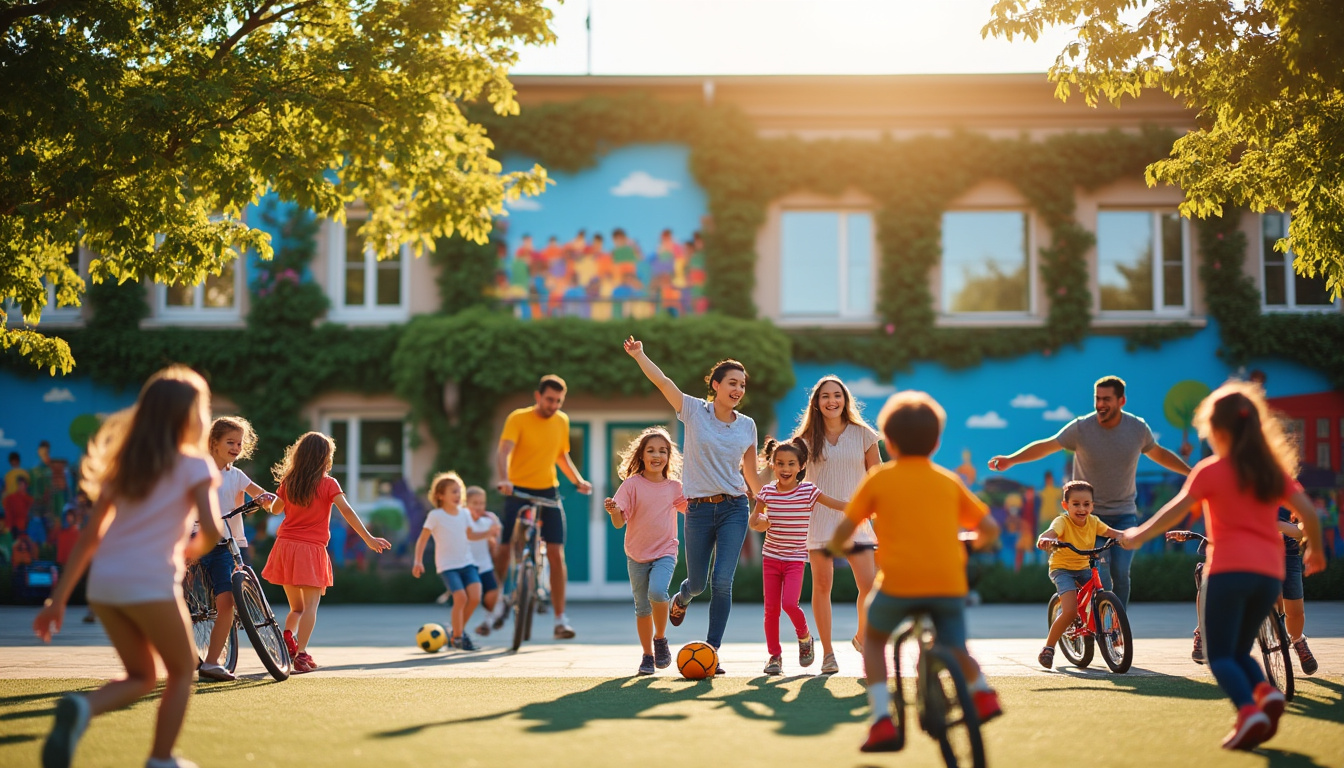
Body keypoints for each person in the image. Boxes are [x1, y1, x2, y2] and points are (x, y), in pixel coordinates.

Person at [32, 365, 224, 768]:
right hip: (151, 582)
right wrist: (189, 552)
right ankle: (161, 759)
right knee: (183, 669)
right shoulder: (195, 466)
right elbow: (210, 531)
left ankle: (82, 710)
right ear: (193, 416)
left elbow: (89, 539)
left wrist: (58, 601)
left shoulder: (125, 466)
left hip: (104, 586)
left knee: (142, 676)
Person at [1118, 382, 1325, 751]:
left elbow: (1174, 512)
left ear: (1217, 430)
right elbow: (1308, 512)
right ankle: (1266, 693)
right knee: (1239, 652)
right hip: (1268, 575)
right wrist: (1316, 551)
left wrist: (1137, 535)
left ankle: (1249, 711)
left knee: (1219, 655)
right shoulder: (1271, 470)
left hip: (1228, 572)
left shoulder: (1210, 471)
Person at [828, 391, 1002, 753]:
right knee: (954, 645)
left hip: (898, 585)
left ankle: (880, 720)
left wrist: (836, 548)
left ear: (888, 442)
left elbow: (845, 530)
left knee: (873, 640)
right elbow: (990, 530)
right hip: (948, 583)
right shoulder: (947, 480)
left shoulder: (879, 480)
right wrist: (971, 543)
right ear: (937, 441)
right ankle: (983, 692)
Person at [989, 375, 1191, 605]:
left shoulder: (1137, 429)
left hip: (1123, 514)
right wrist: (1011, 460)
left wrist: (1190, 472)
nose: (1100, 404)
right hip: (1087, 518)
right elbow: (1047, 445)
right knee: (1101, 575)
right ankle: (1097, 625)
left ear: (1121, 401)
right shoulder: (1081, 428)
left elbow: (1159, 453)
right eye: (1097, 398)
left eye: (1107, 399)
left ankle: (1116, 630)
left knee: (1121, 575)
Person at [625, 337, 763, 672]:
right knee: (698, 583)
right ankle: (683, 597)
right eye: (732, 383)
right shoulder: (693, 411)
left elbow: (750, 473)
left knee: (722, 582)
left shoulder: (747, 426)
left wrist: (766, 503)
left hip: (734, 508)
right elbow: (663, 381)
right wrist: (640, 355)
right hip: (698, 510)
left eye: (742, 385)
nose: (738, 389)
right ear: (715, 386)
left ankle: (711, 651)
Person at [263, 432, 390, 674]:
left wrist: (266, 502)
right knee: (311, 607)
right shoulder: (328, 483)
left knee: (296, 608)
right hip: (310, 550)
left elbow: (275, 509)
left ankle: (288, 636)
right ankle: (300, 655)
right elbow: (348, 512)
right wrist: (369, 539)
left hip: (285, 547)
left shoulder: (288, 482)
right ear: (325, 458)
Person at [790, 375, 881, 674]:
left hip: (857, 518)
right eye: (825, 396)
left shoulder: (864, 434)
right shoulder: (804, 440)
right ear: (816, 402)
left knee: (869, 585)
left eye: (837, 395)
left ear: (845, 400)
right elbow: (784, 473)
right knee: (822, 585)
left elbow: (876, 475)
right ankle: (828, 653)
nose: (832, 401)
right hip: (819, 518)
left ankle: (862, 638)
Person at [493, 374, 593, 640]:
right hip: (517, 489)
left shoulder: (562, 420)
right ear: (538, 396)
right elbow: (504, 451)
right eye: (550, 399)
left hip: (548, 490)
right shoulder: (518, 418)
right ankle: (498, 597)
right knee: (504, 547)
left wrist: (577, 481)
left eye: (559, 401)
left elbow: (561, 455)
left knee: (555, 554)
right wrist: (503, 478)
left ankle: (560, 619)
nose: (554, 405)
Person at [750, 437, 848, 676]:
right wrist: (759, 521)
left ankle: (804, 637)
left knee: (789, 603)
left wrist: (860, 507)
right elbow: (756, 522)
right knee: (771, 609)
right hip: (771, 557)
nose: (785, 469)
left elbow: (834, 504)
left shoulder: (808, 491)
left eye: (791, 464)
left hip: (795, 558)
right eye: (780, 463)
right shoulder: (766, 493)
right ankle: (774, 656)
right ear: (772, 465)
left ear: (801, 466)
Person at [196, 416, 275, 682]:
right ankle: (200, 659)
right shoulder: (198, 472)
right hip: (200, 542)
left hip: (229, 545)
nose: (236, 447)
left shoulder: (237, 475)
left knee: (227, 601)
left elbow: (267, 500)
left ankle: (211, 661)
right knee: (215, 602)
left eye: (240, 443)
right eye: (230, 442)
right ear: (213, 443)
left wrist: (267, 500)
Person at [604, 427, 686, 675]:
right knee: (642, 607)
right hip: (636, 554)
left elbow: (692, 512)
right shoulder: (631, 485)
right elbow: (619, 523)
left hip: (665, 551)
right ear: (641, 455)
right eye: (650, 450)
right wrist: (614, 511)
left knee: (658, 592)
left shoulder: (674, 487)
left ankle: (660, 639)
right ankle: (647, 656)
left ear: (668, 457)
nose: (657, 455)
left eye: (662, 450)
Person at [1035, 481, 1120, 669]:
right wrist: (1046, 538)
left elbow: (1111, 532)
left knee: (1103, 594)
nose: (1082, 509)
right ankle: (1048, 648)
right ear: (1065, 506)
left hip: (1084, 566)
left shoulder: (1094, 521)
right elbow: (1051, 532)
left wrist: (1125, 536)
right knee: (1070, 610)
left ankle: (1112, 633)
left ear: (1092, 505)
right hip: (1062, 569)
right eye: (1076, 504)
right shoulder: (1062, 521)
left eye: (1086, 504)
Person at [413, 472, 491, 650]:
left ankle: (458, 631)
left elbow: (470, 534)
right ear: (440, 495)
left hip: (467, 563)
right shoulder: (435, 515)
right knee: (461, 598)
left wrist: (488, 534)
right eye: (453, 492)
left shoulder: (464, 513)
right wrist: (418, 561)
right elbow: (423, 538)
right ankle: (457, 638)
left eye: (459, 491)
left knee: (475, 597)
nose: (458, 495)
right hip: (448, 566)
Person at [465, 486, 504, 636]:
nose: (479, 506)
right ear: (465, 504)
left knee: (492, 594)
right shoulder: (463, 521)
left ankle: (488, 621)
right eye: (475, 503)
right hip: (467, 566)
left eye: (482, 503)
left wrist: (493, 541)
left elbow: (494, 541)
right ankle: (457, 628)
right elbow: (469, 535)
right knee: (467, 599)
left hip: (485, 564)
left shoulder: (488, 521)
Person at [4, 475, 32, 541]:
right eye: (20, 484)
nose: (21, 486)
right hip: (15, 529)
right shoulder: (11, 498)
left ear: (26, 485)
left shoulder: (30, 500)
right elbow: (8, 514)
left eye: (23, 484)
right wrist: (8, 528)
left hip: (28, 529)